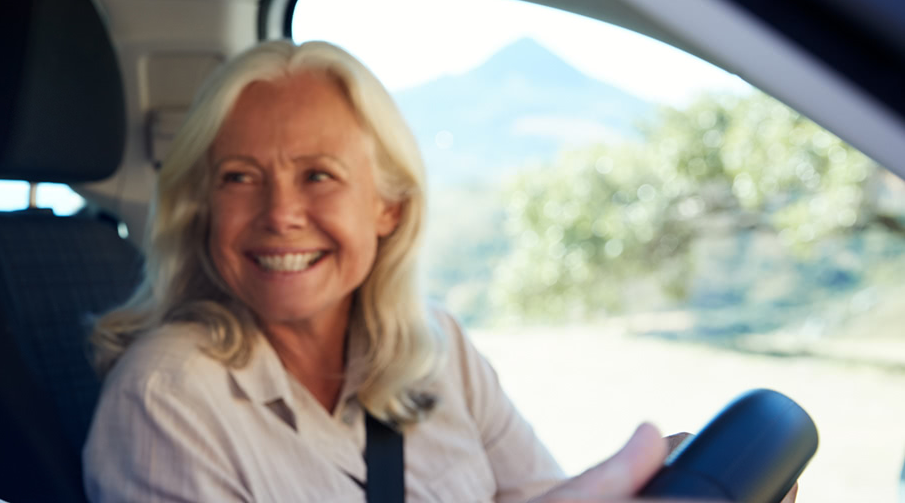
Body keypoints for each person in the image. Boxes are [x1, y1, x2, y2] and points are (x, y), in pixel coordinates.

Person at [82, 40, 746, 502]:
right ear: (203, 210)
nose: (281, 213)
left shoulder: (439, 349)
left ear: (388, 209)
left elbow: (540, 494)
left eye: (319, 175)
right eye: (239, 178)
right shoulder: (168, 395)